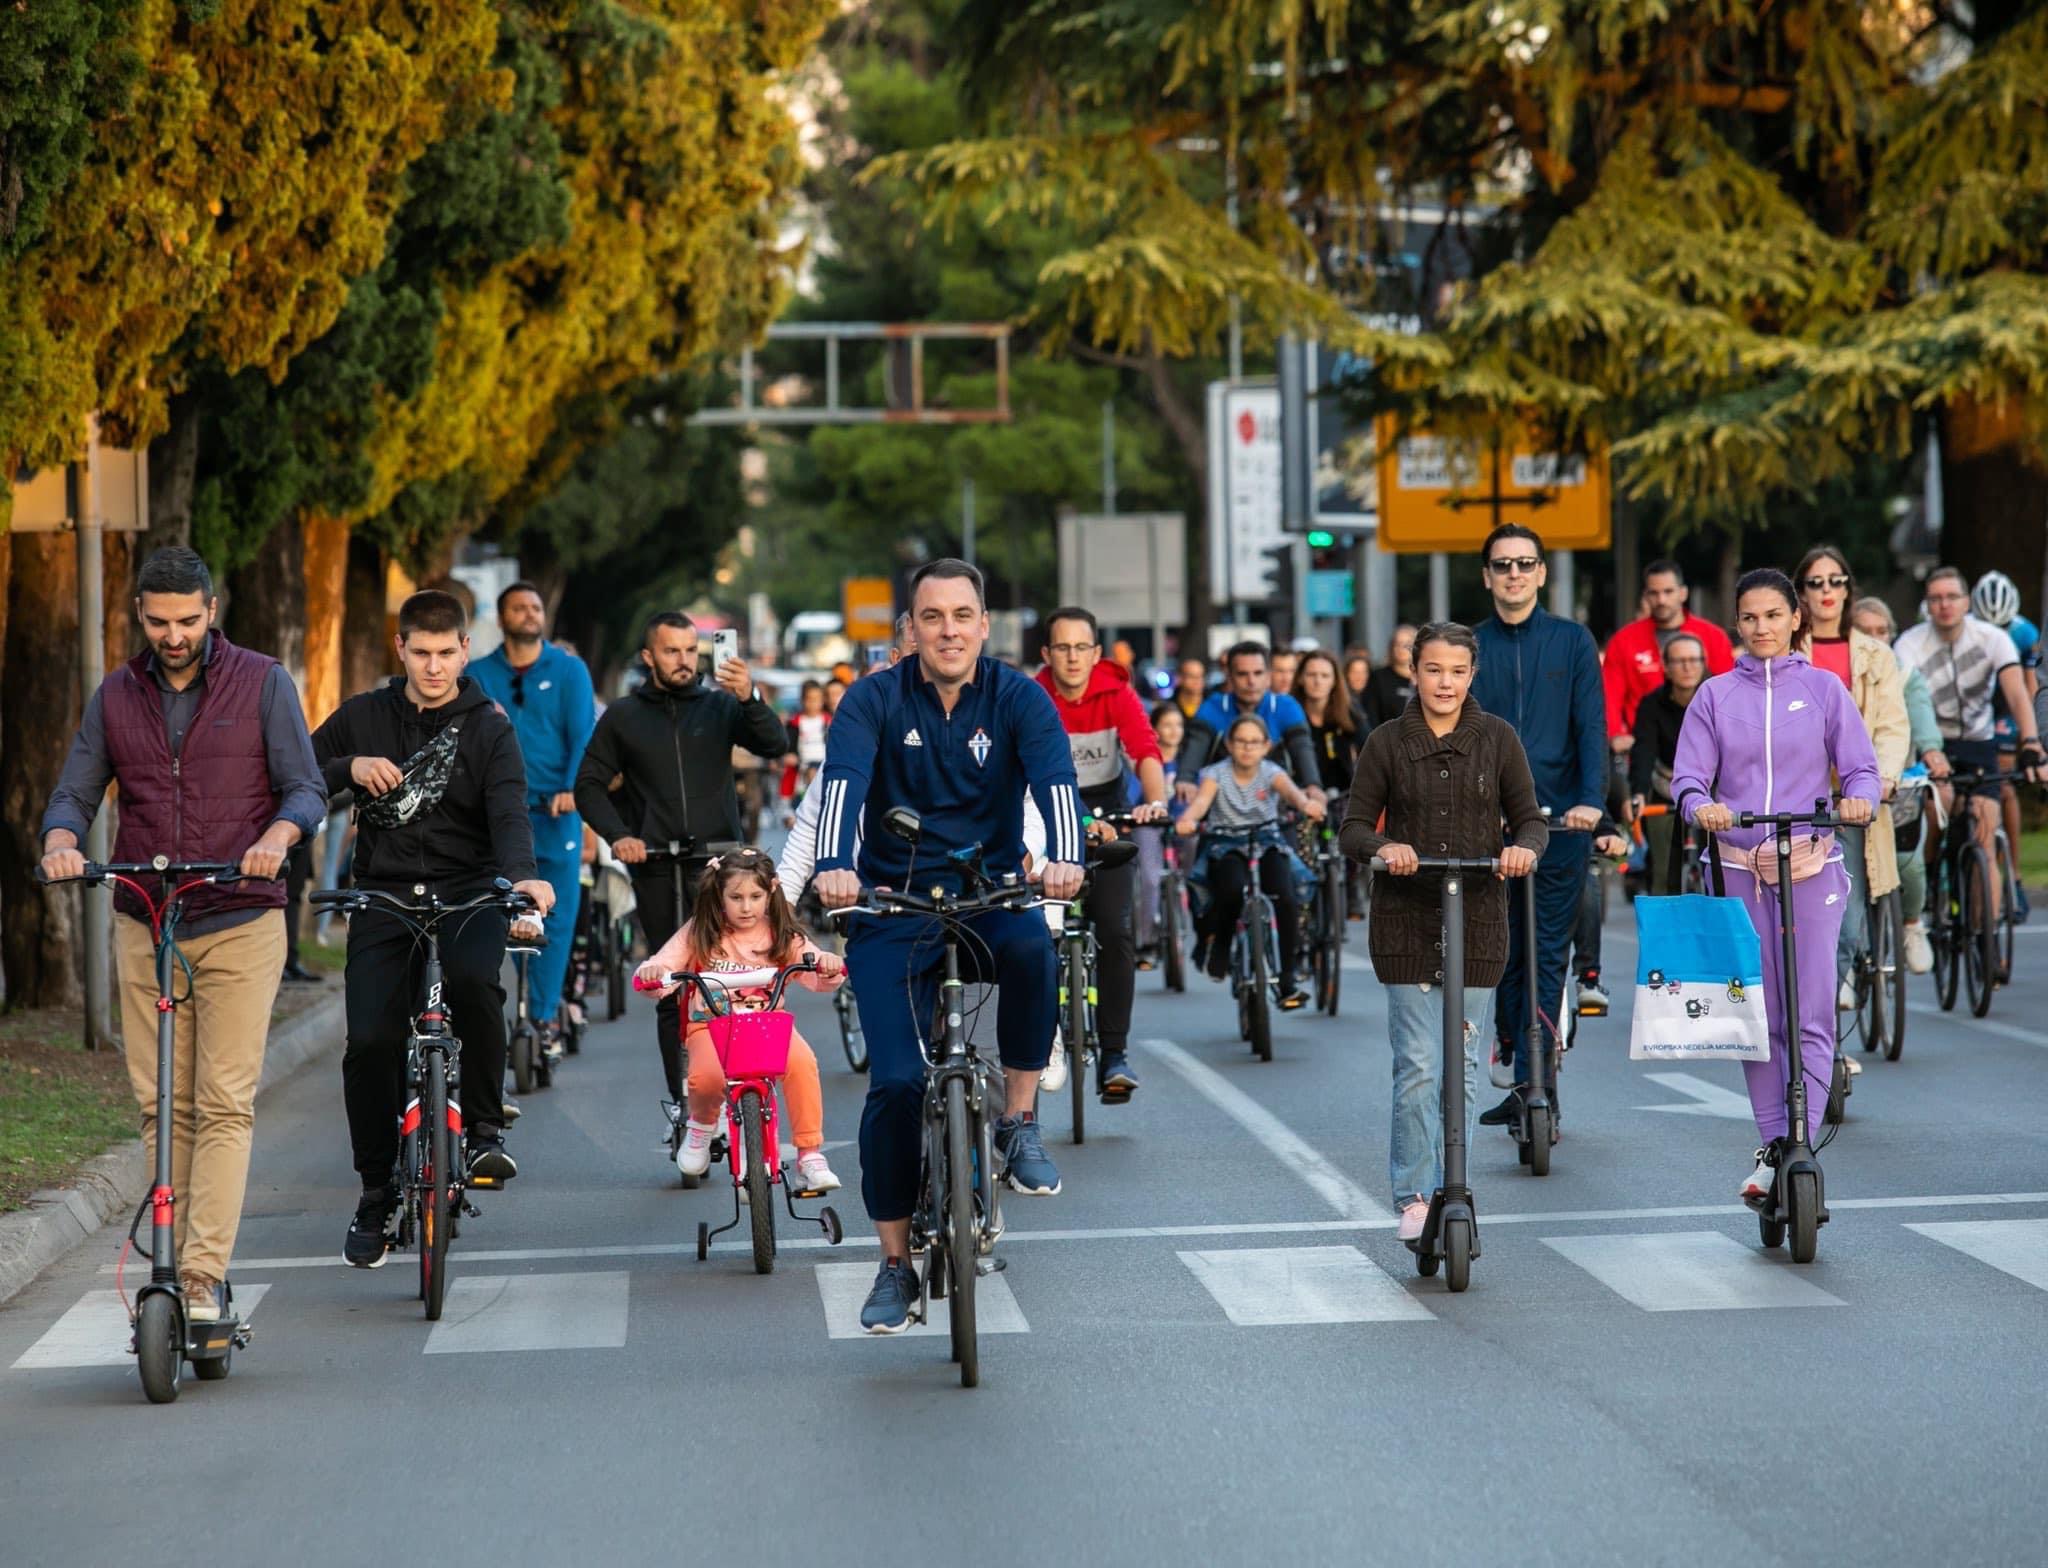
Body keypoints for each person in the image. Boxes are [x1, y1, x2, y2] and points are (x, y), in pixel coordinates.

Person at [39, 546, 325, 1324]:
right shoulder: (114, 696)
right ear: (140, 615)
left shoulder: (262, 681)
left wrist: (278, 835)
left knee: (224, 1102)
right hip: (146, 916)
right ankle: (170, 1254)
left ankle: (199, 1277)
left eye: (188, 621)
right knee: (161, 1105)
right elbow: (73, 790)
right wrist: (62, 840)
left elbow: (306, 787)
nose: (174, 636)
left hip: (240, 914)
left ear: (211, 610)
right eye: (159, 622)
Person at [812, 558, 1086, 1335]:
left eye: (962, 616)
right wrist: (835, 865)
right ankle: (894, 1264)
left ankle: (1019, 1122)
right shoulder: (870, 699)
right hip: (893, 909)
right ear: (911, 628)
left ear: (984, 624)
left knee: (1034, 950)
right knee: (895, 1085)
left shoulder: (1020, 698)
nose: (948, 631)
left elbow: (1055, 781)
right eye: (932, 617)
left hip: (989, 894)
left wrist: (1065, 858)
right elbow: (842, 783)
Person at [312, 589, 557, 1266]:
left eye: (446, 653)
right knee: (369, 1040)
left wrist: (525, 877)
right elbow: (297, 772)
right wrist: (348, 768)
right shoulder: (364, 715)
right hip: (385, 895)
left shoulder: (489, 726)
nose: (433, 667)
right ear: (401, 650)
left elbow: (510, 811)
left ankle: (481, 1131)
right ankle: (376, 1189)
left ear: (465, 651)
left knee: (479, 983)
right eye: (420, 653)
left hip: (471, 889)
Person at [1669, 569, 1880, 1198]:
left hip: (1812, 867)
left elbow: (1861, 768)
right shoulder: (1713, 696)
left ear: (1796, 619)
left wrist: (1861, 799)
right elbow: (1687, 780)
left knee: (1811, 1013)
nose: (1761, 627)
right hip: (1737, 871)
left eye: (1772, 615)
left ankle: (1800, 1145)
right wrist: (1699, 805)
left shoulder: (1824, 689)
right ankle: (1771, 1145)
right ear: (1737, 623)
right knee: (1755, 1018)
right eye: (1749, 617)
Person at [1338, 622, 1545, 1238]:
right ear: (1414, 672)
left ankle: (1452, 1186)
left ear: (1471, 674)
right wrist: (1386, 846)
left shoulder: (1499, 740)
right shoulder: (1385, 742)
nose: (1445, 682)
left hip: (1477, 922)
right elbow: (1351, 830)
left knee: (1461, 1066)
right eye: (1433, 670)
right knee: (1419, 1064)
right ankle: (1413, 1197)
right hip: (1406, 922)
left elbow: (1529, 820)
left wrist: (1522, 851)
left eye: (1457, 671)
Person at [573, 610, 788, 1139]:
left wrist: (749, 697)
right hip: (655, 866)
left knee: (734, 978)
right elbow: (589, 785)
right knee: (675, 988)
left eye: (692, 651)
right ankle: (685, 1101)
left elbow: (773, 743)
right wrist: (619, 834)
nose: (684, 661)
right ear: (649, 657)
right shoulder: (623, 716)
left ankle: (740, 1086)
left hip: (719, 867)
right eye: (672, 651)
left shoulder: (719, 705)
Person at [1468, 525, 1606, 1128]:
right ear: (1487, 576)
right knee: (1500, 953)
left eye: (1526, 563)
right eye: (1503, 565)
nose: (1514, 573)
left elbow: (1591, 729)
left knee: (1548, 953)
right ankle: (1513, 1046)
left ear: (1543, 573)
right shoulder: (1471, 647)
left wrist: (1592, 801)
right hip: (1489, 827)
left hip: (1560, 825)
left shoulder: (1573, 642)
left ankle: (1536, 1077)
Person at [635, 847, 844, 1192]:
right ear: (719, 896)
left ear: (770, 893)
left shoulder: (780, 932)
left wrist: (826, 963)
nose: (746, 907)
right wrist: (654, 972)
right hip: (711, 1025)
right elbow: (663, 964)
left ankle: (809, 1154)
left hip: (767, 1025)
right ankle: (701, 1127)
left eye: (755, 896)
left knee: (802, 1063)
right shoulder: (700, 931)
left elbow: (812, 963)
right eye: (736, 897)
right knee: (705, 1077)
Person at [1034, 607, 1169, 1102]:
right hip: (1046, 818)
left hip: (1111, 817)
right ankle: (1042, 1041)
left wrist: (1153, 803)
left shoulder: (1117, 693)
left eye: (1081, 648)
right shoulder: (1035, 696)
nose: (1072, 658)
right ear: (1047, 655)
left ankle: (1114, 1053)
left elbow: (1144, 751)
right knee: (1036, 936)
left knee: (1115, 928)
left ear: (1096, 654)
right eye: (1062, 648)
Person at [469, 581, 597, 1051]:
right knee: (504, 913)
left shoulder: (569, 670)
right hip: (496, 816)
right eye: (518, 608)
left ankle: (542, 1017)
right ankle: (519, 1006)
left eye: (535, 607)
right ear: (501, 619)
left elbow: (584, 733)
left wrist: (571, 788)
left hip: (554, 811)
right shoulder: (479, 673)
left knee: (556, 917)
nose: (528, 613)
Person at [1893, 566, 2047, 927]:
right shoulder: (1909, 644)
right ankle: (1931, 874)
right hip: (1931, 740)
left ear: (1966, 602)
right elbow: (1906, 704)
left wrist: (2030, 742)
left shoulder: (1993, 639)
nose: (1945, 605)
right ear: (1927, 605)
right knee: (1938, 807)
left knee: (1984, 824)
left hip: (1979, 741)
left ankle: (1988, 932)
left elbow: (2017, 693)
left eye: (1952, 597)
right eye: (1936, 599)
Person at [1792, 548, 1908, 1028]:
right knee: (1797, 919)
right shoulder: (1785, 651)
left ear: (1847, 589)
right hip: (1799, 800)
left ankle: (1824, 1021)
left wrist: (1880, 778)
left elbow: (1891, 725)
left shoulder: (1875, 654)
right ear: (1800, 591)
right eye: (1815, 582)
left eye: (1835, 581)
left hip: (1855, 803)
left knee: (1847, 909)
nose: (1826, 592)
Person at [1176, 714, 1327, 1010]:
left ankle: (1287, 978)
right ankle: (1220, 946)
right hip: (1227, 844)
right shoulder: (1215, 774)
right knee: (1230, 890)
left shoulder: (1272, 772)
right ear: (1230, 745)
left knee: (1285, 897)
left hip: (1267, 842)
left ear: (1266, 746)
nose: (1247, 748)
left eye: (1254, 742)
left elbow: (1293, 794)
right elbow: (1202, 802)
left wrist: (1307, 804)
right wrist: (1189, 819)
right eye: (1241, 742)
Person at [1852, 596, 1940, 972]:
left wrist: (1933, 751)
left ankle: (1911, 925)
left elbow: (1920, 713)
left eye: (1881, 631)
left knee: (1908, 864)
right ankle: (1846, 961)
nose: (1875, 639)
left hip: (1895, 783)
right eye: (1864, 632)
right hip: (1843, 790)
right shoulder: (1837, 669)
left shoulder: (1903, 672)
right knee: (1843, 876)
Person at [1601, 559, 1736, 748]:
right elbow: (1609, 698)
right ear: (1646, 596)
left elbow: (1729, 694)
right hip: (1643, 746)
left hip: (1704, 746)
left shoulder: (1713, 637)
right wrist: (1615, 736)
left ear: (1683, 593)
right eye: (1654, 593)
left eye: (1668, 592)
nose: (1661, 600)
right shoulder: (1623, 641)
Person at [1971, 569, 2039, 922]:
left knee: (2005, 788)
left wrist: (2028, 738)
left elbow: (2026, 691)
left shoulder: (2025, 632)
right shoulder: (1965, 628)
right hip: (1976, 702)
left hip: (2006, 703)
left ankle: (2012, 875)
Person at [1628, 634, 1710, 896]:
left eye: (1694, 660)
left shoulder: (1718, 697)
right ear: (1665, 666)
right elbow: (1644, 751)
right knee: (1663, 870)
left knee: (1720, 867)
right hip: (1667, 787)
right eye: (1679, 660)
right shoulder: (1651, 704)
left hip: (1714, 790)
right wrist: (1638, 792)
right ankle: (1665, 928)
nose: (1688, 667)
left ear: (1703, 663)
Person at [1185, 641, 1320, 786]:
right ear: (1229, 678)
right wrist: (1185, 780)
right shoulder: (1212, 706)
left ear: (1268, 676)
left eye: (1258, 673)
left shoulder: (1287, 706)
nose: (1251, 681)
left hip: (1278, 799)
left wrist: (1313, 785)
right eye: (1242, 674)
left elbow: (1302, 748)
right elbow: (1194, 753)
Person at [1133, 702, 1189, 964]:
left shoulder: (1188, 761)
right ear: (1154, 730)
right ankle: (1147, 939)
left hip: (1181, 823)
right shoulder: (1145, 759)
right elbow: (1133, 793)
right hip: (1148, 824)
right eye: (1167, 724)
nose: (1174, 731)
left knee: (1196, 851)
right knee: (1150, 878)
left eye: (1178, 725)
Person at [1296, 648, 1370, 795]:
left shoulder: (1349, 710)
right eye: (1311, 675)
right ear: (1300, 678)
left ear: (1334, 680)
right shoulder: (1290, 711)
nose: (1318, 681)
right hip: (1300, 796)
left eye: (1325, 676)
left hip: (1342, 796)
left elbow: (1371, 749)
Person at [1362, 624, 1418, 729]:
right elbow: (1371, 716)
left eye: (1406, 644)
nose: (1401, 648)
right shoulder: (1377, 678)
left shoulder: (1426, 678)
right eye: (1397, 644)